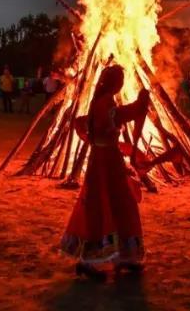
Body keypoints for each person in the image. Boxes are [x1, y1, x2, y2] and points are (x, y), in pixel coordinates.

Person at [61, 64, 149, 280]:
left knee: (120, 203)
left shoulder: (102, 101)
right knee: (101, 206)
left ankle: (124, 258)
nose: (121, 84)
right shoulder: (104, 102)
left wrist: (137, 106)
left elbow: (112, 117)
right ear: (113, 83)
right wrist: (138, 106)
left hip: (109, 159)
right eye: (119, 80)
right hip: (104, 162)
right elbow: (113, 120)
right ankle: (88, 262)